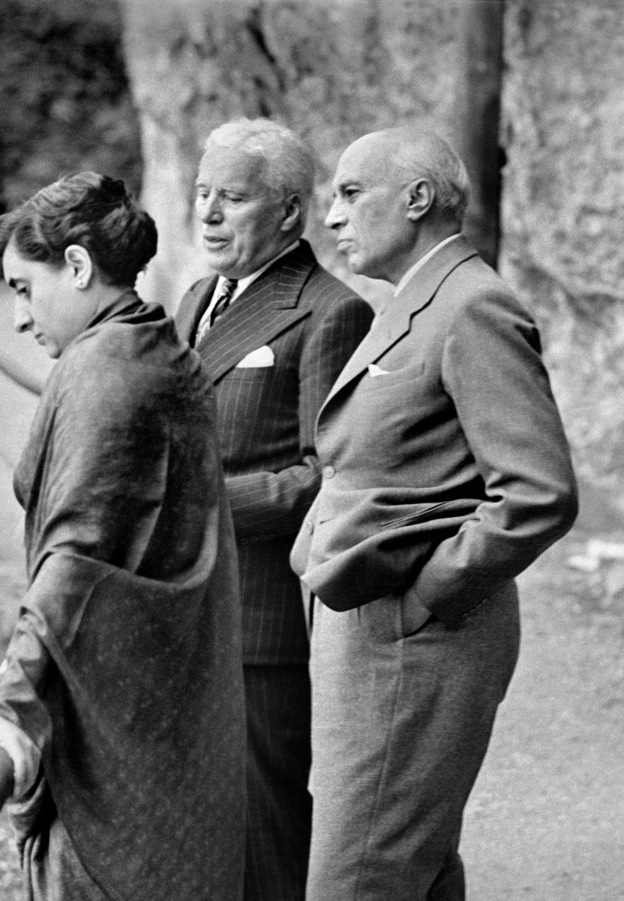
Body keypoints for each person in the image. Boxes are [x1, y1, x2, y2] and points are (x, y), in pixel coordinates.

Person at [290, 127, 579, 900]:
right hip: (376, 636)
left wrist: (427, 595)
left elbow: (537, 492)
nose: (332, 215)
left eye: (352, 193)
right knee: (411, 869)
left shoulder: (473, 305)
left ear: (417, 198)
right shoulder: (415, 300)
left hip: (413, 643)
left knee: (357, 878)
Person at [0, 171, 246, 901]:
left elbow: (75, 557)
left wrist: (14, 701)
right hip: (167, 698)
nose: (18, 318)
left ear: (78, 266)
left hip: (116, 720)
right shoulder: (157, 345)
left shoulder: (105, 373)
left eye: (24, 289)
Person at [174, 118, 373, 901]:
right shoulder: (196, 298)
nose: (208, 213)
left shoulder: (331, 312)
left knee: (269, 833)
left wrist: (194, 507)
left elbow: (330, 477)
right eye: (202, 193)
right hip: (186, 610)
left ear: (290, 211)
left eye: (232, 197)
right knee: (201, 829)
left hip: (262, 624)